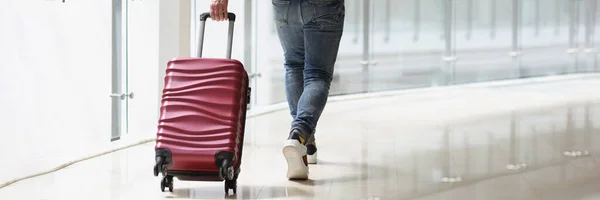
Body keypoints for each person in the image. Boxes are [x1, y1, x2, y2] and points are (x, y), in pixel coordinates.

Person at [210, 0, 345, 180]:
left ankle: (307, 143)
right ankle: (299, 134)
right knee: (317, 74)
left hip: (284, 5)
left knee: (294, 65)